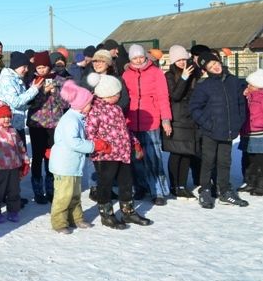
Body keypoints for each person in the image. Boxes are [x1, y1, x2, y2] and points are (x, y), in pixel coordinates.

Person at [85, 73, 153, 228]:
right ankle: (106, 214)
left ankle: (128, 211)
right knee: (105, 184)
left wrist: (135, 143)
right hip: (105, 156)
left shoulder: (116, 109)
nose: (119, 96)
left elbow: (124, 130)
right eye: (117, 94)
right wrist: (99, 145)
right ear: (107, 94)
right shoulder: (95, 110)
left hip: (123, 153)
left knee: (126, 182)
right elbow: (89, 132)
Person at [189, 51, 249, 209]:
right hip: (210, 133)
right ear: (206, 70)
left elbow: (241, 103)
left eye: (215, 63)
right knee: (208, 161)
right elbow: (194, 108)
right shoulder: (204, 86)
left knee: (225, 162)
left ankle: (224, 191)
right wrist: (209, 125)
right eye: (210, 66)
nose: (215, 67)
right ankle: (205, 190)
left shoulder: (234, 81)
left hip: (228, 131)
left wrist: (239, 121)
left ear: (219, 62)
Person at [122, 44, 172, 205]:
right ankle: (141, 187)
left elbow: (163, 97)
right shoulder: (126, 74)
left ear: (145, 56)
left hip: (151, 121)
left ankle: (158, 191)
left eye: (140, 57)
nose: (138, 60)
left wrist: (165, 119)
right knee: (136, 159)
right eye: (134, 57)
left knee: (153, 158)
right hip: (131, 121)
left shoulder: (156, 73)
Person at [48, 80, 97, 234]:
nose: (92, 106)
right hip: (64, 165)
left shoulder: (78, 118)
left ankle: (76, 218)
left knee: (75, 194)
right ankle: (59, 222)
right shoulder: (71, 120)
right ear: (81, 105)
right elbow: (73, 143)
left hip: (73, 165)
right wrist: (94, 146)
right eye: (90, 103)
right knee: (63, 195)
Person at [26, 50, 68, 205]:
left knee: (51, 156)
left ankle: (51, 189)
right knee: (37, 156)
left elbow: (65, 104)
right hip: (37, 124)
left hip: (54, 123)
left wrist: (55, 92)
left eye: (44, 67)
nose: (42, 70)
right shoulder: (33, 82)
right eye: (39, 68)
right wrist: (42, 92)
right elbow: (29, 103)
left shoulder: (60, 80)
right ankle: (38, 190)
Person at [162, 45, 201, 199]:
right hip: (177, 118)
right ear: (173, 60)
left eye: (184, 59)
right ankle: (174, 185)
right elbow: (176, 95)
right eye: (179, 60)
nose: (182, 62)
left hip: (190, 118)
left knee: (186, 153)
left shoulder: (194, 72)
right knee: (176, 153)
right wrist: (184, 77)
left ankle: (182, 185)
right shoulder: (169, 75)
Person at [0, 100, 29, 224]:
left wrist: (25, 162)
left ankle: (13, 210)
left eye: (8, 116)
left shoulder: (13, 131)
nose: (7, 120)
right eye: (3, 117)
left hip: (14, 167)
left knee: (14, 190)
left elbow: (21, 147)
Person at [0, 51, 44, 145]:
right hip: (8, 125)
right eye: (24, 67)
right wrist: (34, 89)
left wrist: (31, 102)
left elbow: (21, 104)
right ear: (16, 66)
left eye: (27, 67)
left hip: (17, 124)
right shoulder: (7, 80)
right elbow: (16, 102)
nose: (26, 69)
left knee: (21, 155)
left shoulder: (17, 79)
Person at [240, 69, 263, 195]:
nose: (248, 87)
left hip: (259, 132)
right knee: (248, 159)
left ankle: (260, 185)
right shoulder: (247, 96)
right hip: (247, 132)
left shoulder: (261, 97)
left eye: (251, 85)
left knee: (260, 160)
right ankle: (249, 182)